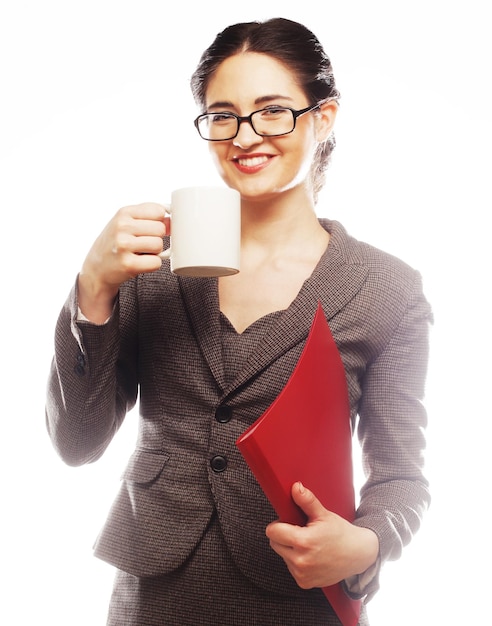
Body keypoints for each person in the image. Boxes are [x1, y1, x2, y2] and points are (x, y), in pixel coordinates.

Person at [46, 17, 432, 626]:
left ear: (323, 118)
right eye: (222, 115)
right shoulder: (148, 267)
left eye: (272, 110)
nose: (245, 136)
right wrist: (91, 288)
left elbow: (401, 474)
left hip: (296, 602)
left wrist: (367, 544)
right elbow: (75, 443)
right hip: (153, 601)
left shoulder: (387, 289)